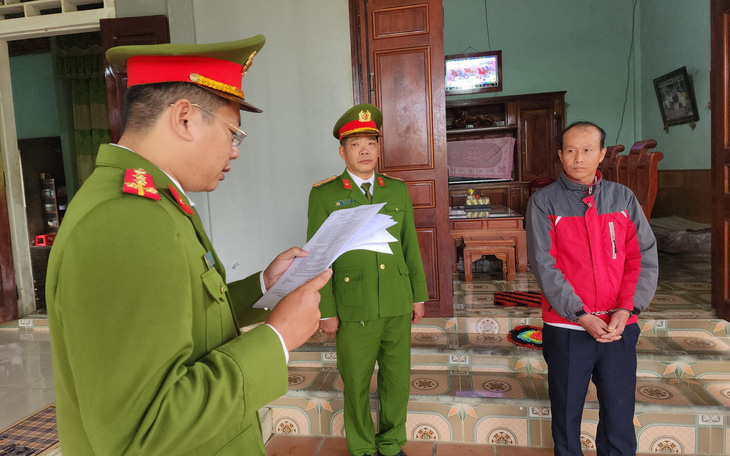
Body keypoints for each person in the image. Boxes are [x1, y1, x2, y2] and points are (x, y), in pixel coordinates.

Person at [45, 35, 332, 456]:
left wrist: (265, 286)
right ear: (184, 119)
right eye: (233, 133)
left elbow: (186, 316)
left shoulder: (152, 201)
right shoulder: (126, 218)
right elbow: (143, 430)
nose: (235, 152)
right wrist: (278, 337)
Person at [526, 121, 658, 456]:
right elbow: (545, 265)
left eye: (587, 150)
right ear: (560, 155)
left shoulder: (622, 198)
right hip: (568, 327)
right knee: (566, 411)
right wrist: (580, 314)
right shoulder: (544, 202)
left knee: (619, 411)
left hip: (618, 326)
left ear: (601, 154)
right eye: (571, 150)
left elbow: (642, 257)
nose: (578, 158)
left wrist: (627, 308)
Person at [307, 104, 428, 456]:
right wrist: (325, 310)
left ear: (378, 148)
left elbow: (409, 244)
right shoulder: (325, 194)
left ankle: (390, 444)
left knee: (397, 378)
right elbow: (318, 257)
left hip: (395, 299)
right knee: (357, 381)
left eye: (371, 143)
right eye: (356, 144)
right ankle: (361, 447)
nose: (364, 151)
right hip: (353, 304)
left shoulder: (396, 190)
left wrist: (417, 295)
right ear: (342, 151)